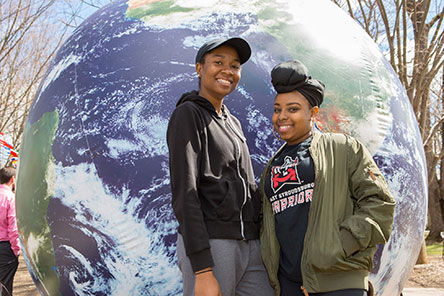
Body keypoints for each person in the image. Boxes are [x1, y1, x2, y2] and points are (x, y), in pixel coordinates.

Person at [259, 60, 396, 296]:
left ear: (313, 113)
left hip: (340, 283)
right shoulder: (272, 167)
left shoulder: (344, 148)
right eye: (277, 109)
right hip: (289, 286)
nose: (282, 116)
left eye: (293, 109)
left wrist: (340, 244)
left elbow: (380, 204)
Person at [167, 37, 273, 296]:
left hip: (250, 244)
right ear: (199, 68)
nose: (228, 70)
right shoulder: (188, 114)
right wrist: (202, 269)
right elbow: (186, 193)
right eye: (218, 62)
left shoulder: (233, 123)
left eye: (235, 66)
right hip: (213, 245)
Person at [0, 167, 20, 295]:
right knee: (4, 287)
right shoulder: (11, 198)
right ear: (13, 179)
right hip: (5, 249)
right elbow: (13, 228)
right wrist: (16, 249)